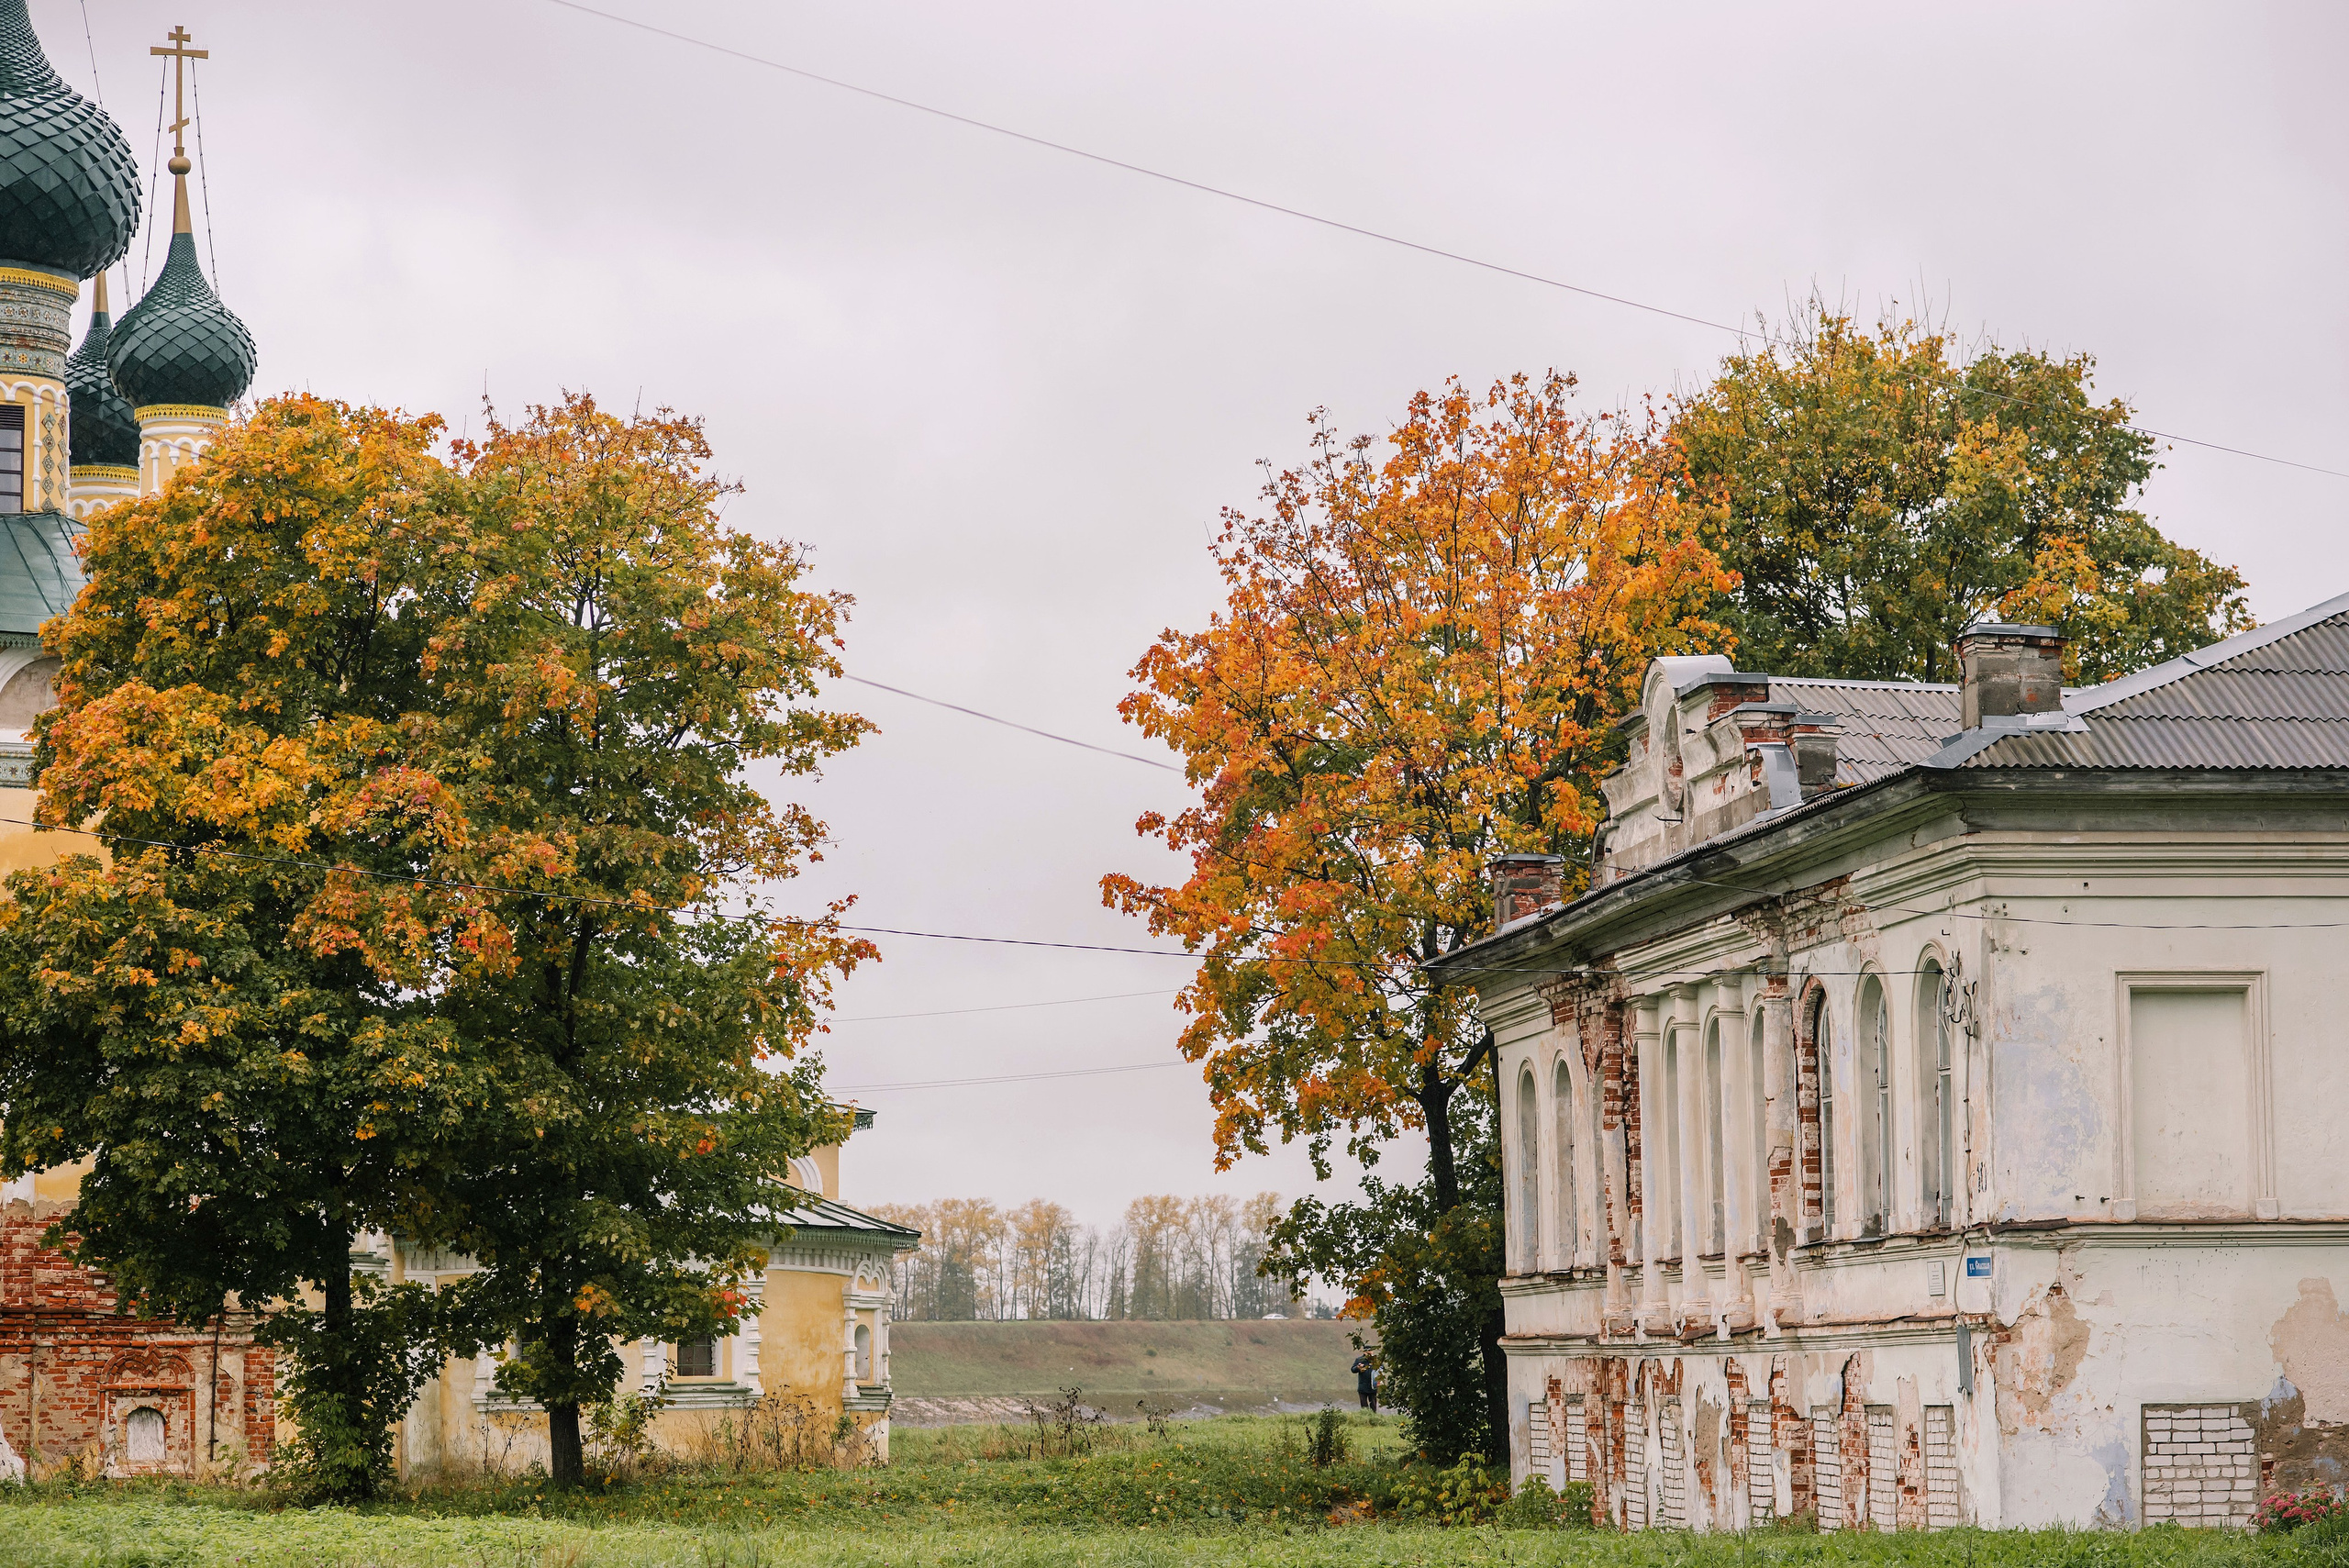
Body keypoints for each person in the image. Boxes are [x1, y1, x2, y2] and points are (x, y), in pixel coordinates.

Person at [1351, 1349, 1378, 1414]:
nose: (1369, 1352)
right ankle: (1365, 1417)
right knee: (1364, 1405)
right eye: (1367, 1351)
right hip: (1363, 1386)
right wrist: (1358, 1367)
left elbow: (1382, 1368)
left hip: (1373, 1386)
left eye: (1370, 1350)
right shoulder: (1359, 1360)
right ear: (1364, 1352)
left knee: (1373, 1405)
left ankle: (1373, 1417)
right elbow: (1353, 1369)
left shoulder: (1376, 1360)